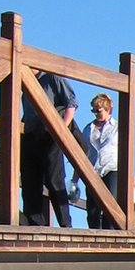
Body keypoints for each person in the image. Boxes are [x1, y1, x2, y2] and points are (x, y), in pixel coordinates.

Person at [21, 70, 77, 227]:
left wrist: (61, 130)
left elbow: (71, 104)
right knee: (29, 182)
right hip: (31, 135)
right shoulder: (24, 82)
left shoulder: (52, 77)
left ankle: (65, 225)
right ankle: (35, 225)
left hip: (50, 134)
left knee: (54, 180)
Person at [71, 93, 119, 229]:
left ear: (108, 109)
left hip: (112, 168)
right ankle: (94, 236)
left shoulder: (117, 128)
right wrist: (75, 180)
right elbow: (81, 154)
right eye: (93, 111)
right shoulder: (88, 129)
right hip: (93, 171)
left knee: (111, 206)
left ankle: (109, 237)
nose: (96, 113)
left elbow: (125, 152)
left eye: (99, 110)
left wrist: (132, 176)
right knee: (93, 209)